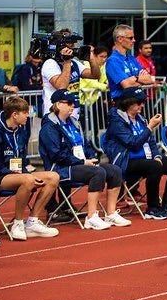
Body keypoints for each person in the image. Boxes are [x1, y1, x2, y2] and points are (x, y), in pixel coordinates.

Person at [39, 89, 131, 229]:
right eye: (69, 103)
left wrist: (91, 158)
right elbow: (56, 155)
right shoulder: (49, 127)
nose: (72, 106)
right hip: (60, 169)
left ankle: (111, 213)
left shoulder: (74, 123)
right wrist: (81, 162)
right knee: (97, 173)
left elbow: (85, 145)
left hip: (81, 163)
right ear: (57, 104)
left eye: (74, 103)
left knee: (114, 170)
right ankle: (91, 216)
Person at [0, 96, 60, 241]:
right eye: (24, 113)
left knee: (53, 177)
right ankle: (17, 223)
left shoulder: (21, 132)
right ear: (14, 114)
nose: (27, 116)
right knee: (28, 179)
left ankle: (32, 222)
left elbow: (21, 160)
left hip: (17, 174)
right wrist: (23, 175)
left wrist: (25, 173)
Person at [104, 87, 167, 220]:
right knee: (154, 166)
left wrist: (157, 155)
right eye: (139, 102)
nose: (142, 105)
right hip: (126, 161)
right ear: (129, 103)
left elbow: (151, 142)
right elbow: (133, 144)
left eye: (143, 102)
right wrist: (150, 127)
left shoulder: (140, 119)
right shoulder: (117, 122)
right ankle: (152, 207)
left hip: (147, 159)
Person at [41, 28, 100, 119]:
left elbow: (95, 75)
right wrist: (67, 61)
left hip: (73, 115)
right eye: (69, 43)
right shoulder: (50, 63)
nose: (72, 46)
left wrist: (91, 59)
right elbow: (61, 87)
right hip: (55, 116)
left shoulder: (75, 62)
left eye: (73, 43)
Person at [106, 24, 154, 102]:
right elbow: (127, 85)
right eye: (130, 38)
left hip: (135, 103)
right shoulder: (113, 60)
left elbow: (149, 79)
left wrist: (135, 79)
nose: (134, 40)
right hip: (121, 104)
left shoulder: (132, 58)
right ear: (120, 39)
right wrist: (139, 79)